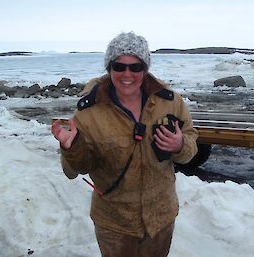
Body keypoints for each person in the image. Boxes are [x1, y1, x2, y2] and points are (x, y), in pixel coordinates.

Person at [51, 32, 198, 257]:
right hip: (114, 225)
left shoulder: (171, 102)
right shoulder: (87, 114)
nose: (127, 74)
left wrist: (180, 145)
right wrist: (72, 149)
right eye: (119, 67)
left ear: (145, 68)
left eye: (135, 67)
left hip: (161, 219)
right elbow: (74, 170)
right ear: (109, 68)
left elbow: (190, 147)